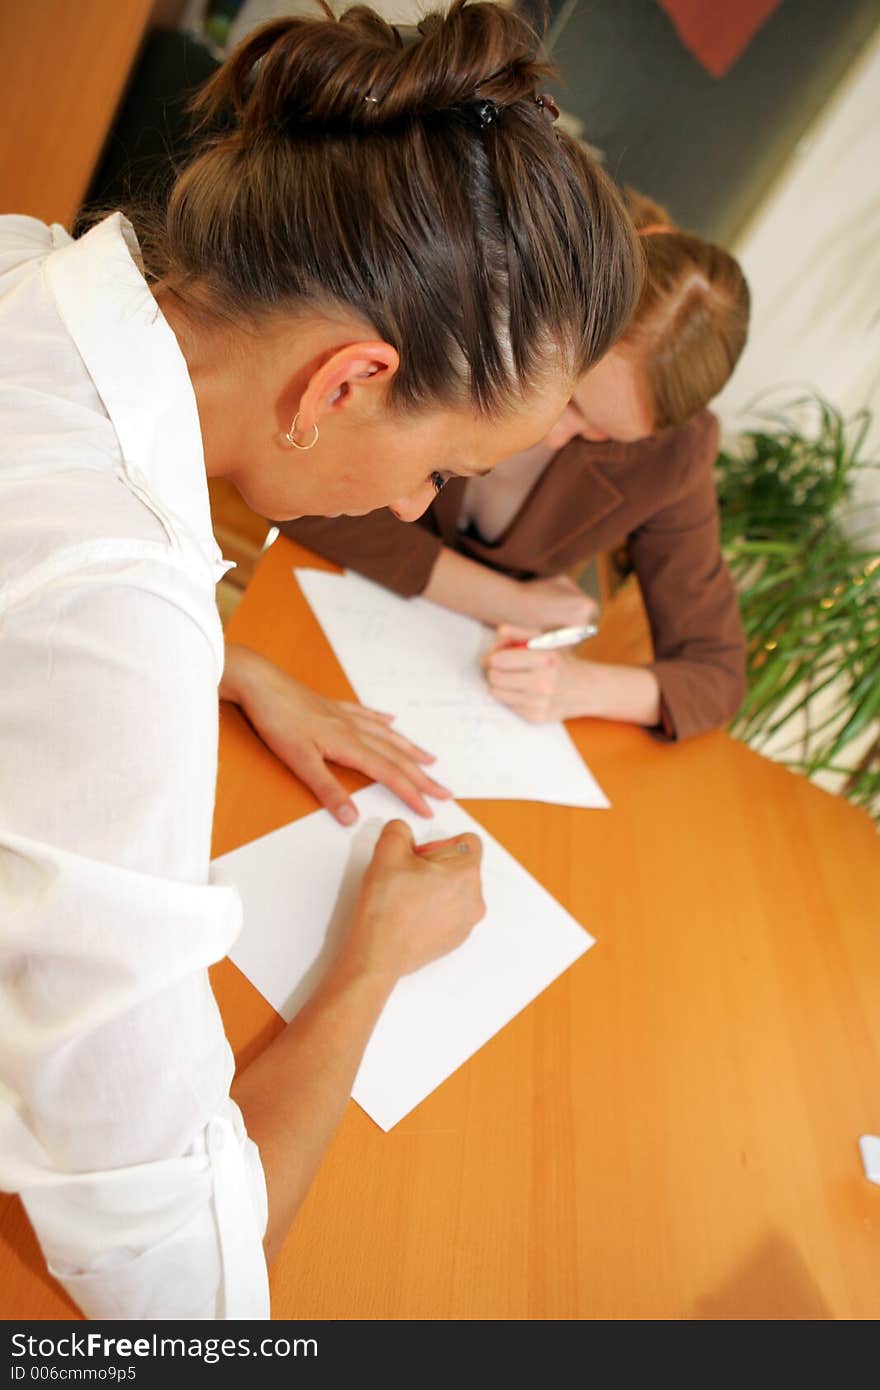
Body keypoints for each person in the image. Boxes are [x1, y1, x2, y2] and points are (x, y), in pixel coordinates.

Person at [0, 2, 642, 1319]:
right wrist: (371, 965)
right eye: (443, 465)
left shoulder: (21, 262)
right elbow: (177, 1284)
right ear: (345, 381)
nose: (416, 506)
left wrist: (230, 663)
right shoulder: (115, 614)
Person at [282, 189, 751, 741]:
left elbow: (715, 673)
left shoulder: (676, 454)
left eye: (604, 434)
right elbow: (299, 488)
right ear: (561, 324)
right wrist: (510, 600)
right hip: (306, 604)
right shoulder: (471, 305)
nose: (557, 436)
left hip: (449, 696)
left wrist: (580, 688)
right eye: (571, 398)